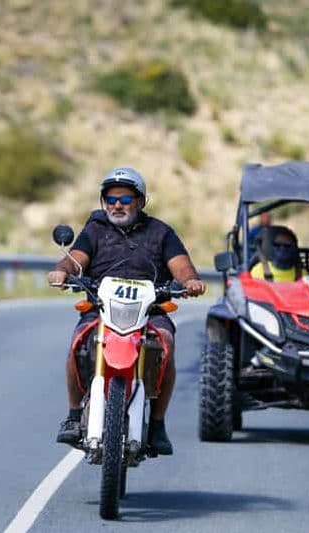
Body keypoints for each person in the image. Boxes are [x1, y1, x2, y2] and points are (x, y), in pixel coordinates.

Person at [47, 167, 206, 455]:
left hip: (150, 310)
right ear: (103, 201)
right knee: (77, 343)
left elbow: (181, 265)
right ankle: (72, 416)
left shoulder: (161, 232)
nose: (117, 205)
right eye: (110, 198)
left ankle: (157, 424)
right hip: (102, 308)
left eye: (125, 198)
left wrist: (190, 281)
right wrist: (61, 271)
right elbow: (75, 259)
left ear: (141, 201)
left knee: (166, 345)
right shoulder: (95, 230)